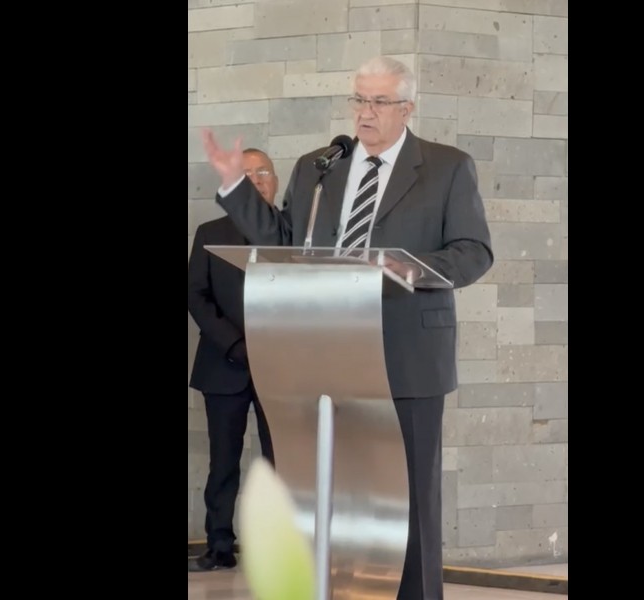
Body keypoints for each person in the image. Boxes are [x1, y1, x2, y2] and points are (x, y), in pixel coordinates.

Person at [201, 56, 493, 598]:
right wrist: (236, 186)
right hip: (327, 352)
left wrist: (413, 268)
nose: (365, 112)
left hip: (407, 353)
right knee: (335, 495)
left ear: (407, 108)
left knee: (411, 498)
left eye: (379, 102)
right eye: (359, 99)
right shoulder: (320, 168)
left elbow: (474, 251)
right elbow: (286, 241)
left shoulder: (447, 167)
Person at [187, 148, 279, 572]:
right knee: (223, 462)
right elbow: (196, 296)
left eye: (264, 172)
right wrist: (235, 344)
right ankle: (219, 545)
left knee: (280, 464)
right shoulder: (210, 232)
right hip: (224, 364)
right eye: (247, 174)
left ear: (275, 180)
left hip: (283, 369)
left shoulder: (295, 231)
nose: (257, 180)